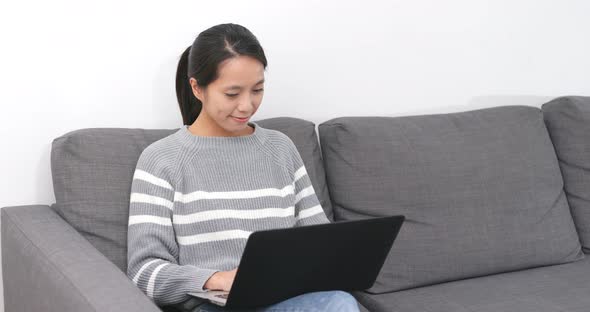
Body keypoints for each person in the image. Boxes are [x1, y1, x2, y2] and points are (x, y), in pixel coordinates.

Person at [126, 23, 360, 312]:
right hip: (215, 306)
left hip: (286, 299)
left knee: (340, 303)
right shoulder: (162, 159)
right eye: (232, 94)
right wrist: (215, 279)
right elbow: (144, 273)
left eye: (257, 90)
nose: (247, 106)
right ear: (197, 88)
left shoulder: (281, 148)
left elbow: (320, 241)